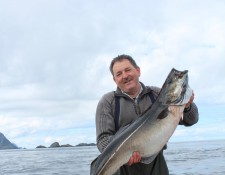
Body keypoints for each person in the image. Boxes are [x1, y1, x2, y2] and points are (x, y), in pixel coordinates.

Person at [95, 54, 199, 175]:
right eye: (119, 74)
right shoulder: (107, 101)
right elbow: (102, 140)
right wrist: (126, 152)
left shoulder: (157, 94)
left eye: (128, 70)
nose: (125, 76)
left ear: (138, 71)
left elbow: (191, 120)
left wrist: (187, 106)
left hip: (157, 166)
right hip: (121, 169)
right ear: (114, 80)